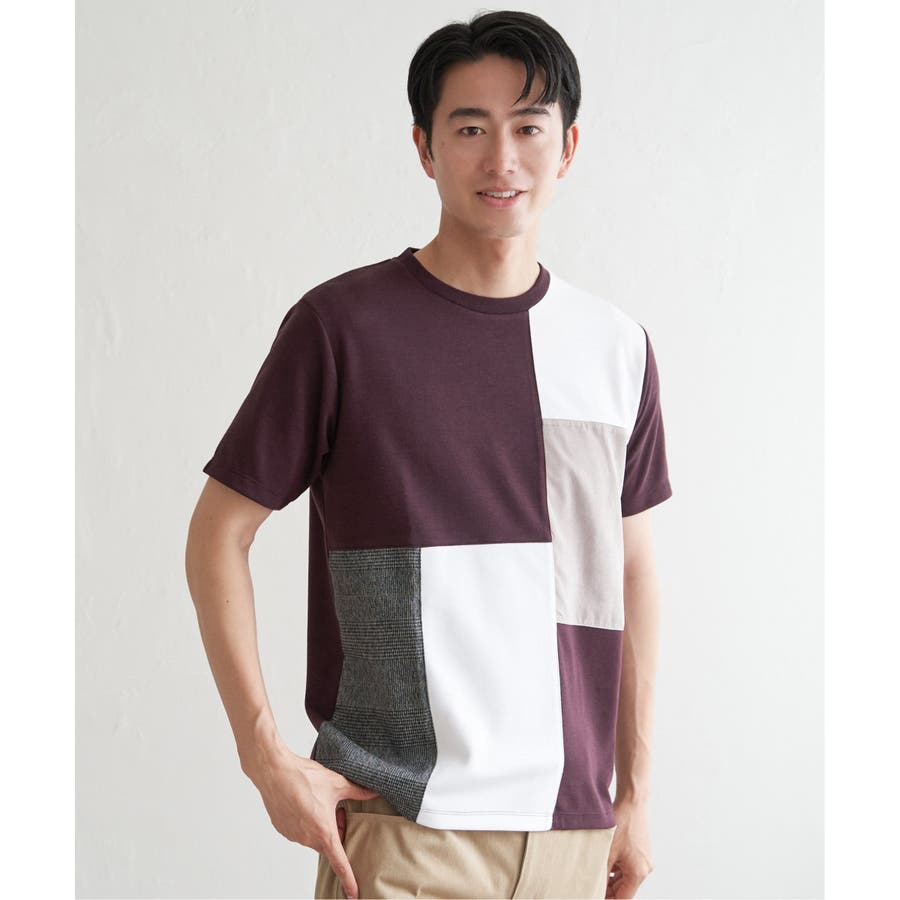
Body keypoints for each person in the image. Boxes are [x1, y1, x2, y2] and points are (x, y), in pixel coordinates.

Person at [185, 10, 672, 899]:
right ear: (425, 148)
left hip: (573, 835)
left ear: (568, 147)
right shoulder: (342, 329)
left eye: (529, 128)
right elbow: (219, 530)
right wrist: (264, 757)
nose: (502, 159)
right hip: (405, 832)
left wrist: (634, 795)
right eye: (470, 129)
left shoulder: (617, 348)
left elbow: (631, 571)